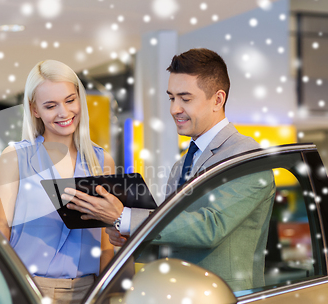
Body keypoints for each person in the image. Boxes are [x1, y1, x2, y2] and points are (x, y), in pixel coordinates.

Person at [61, 48, 276, 290]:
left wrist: (126, 217)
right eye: (172, 98)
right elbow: (176, 237)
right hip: (180, 299)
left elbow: (210, 228)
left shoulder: (246, 157)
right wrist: (129, 235)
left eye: (186, 98)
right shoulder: (181, 164)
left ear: (218, 99)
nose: (174, 109)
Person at [0, 59, 115, 304]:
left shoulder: (101, 161)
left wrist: (104, 297)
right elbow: (0, 226)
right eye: (51, 106)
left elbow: (107, 245)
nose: (64, 112)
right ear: (34, 109)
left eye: (70, 100)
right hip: (30, 291)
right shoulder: (16, 157)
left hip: (87, 295)